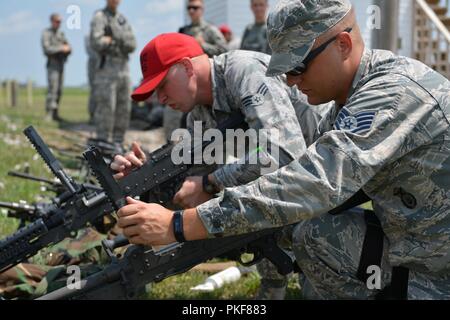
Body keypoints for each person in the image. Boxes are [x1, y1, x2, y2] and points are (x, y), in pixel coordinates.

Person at [112, 0, 450, 300]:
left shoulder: (390, 94)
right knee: (305, 228)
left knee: (304, 223)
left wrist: (180, 224)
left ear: (343, 45)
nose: (289, 81)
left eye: (297, 67)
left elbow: (309, 181)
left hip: (438, 271)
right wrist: (148, 183)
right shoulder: (343, 105)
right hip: (418, 254)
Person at [111, 33, 324, 299]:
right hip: (301, 188)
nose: (161, 99)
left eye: (163, 85)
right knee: (245, 194)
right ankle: (274, 287)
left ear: (187, 67)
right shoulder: (199, 114)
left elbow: (282, 153)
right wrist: (144, 178)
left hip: (332, 177)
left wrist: (212, 183)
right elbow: (190, 188)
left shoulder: (243, 70)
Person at [90, 0, 136, 149]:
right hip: (106, 69)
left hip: (123, 67)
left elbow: (132, 44)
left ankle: (118, 142)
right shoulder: (100, 17)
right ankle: (103, 143)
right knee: (106, 107)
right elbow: (96, 41)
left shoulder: (123, 19)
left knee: (124, 106)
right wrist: (111, 41)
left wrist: (115, 38)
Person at [41, 13, 71, 121]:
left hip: (61, 63)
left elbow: (68, 46)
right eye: (57, 21)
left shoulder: (61, 34)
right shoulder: (46, 33)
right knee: (52, 89)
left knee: (59, 90)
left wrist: (67, 49)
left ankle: (55, 114)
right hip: (52, 64)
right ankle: (49, 113)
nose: (59, 24)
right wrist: (61, 48)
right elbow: (47, 49)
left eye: (60, 22)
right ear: (52, 21)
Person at [85, 35, 99, 124]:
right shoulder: (88, 37)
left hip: (105, 67)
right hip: (94, 67)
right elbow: (90, 52)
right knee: (94, 91)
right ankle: (93, 116)